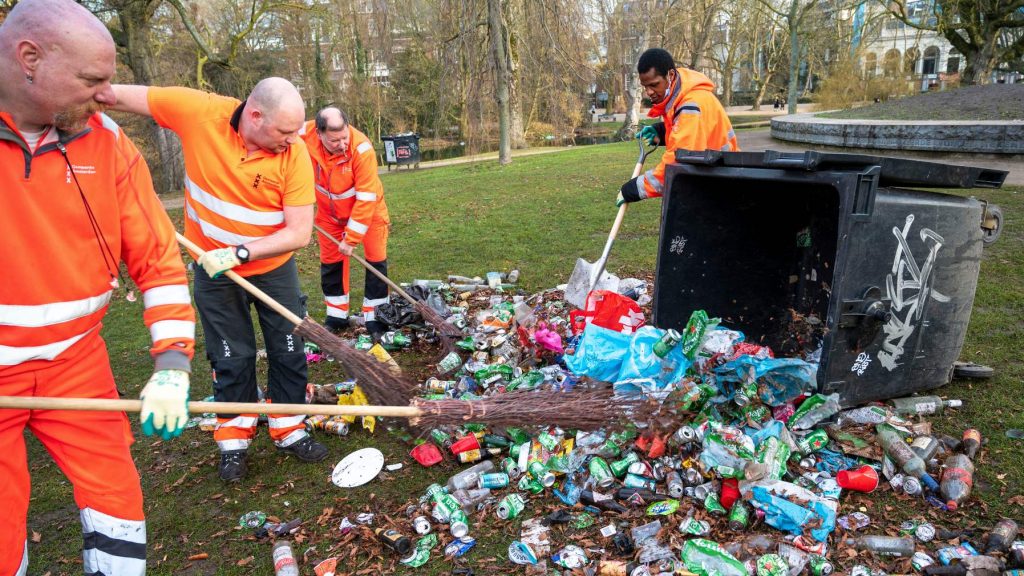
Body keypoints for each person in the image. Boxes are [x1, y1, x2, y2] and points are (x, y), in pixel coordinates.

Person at [0, 0, 197, 573]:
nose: (108, 94)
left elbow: (158, 261)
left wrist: (172, 364)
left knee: (117, 502)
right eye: (93, 80)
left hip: (76, 363)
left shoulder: (107, 142)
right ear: (29, 58)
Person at [110, 77, 329, 483]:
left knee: (288, 349)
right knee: (232, 356)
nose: (294, 139)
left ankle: (288, 426)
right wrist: (71, 102)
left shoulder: (294, 153)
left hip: (272, 270)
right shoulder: (199, 112)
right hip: (212, 274)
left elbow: (299, 233)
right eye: (285, 131)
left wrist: (239, 252)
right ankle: (234, 438)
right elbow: (116, 95)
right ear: (255, 115)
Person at [300, 106, 391, 338]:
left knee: (375, 262)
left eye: (344, 137)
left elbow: (366, 198)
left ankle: (376, 317)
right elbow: (279, 133)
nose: (341, 144)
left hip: (369, 214)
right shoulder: (304, 133)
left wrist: (351, 238)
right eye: (334, 140)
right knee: (331, 264)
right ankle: (337, 316)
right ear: (319, 133)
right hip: (330, 216)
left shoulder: (362, 150)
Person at [619, 48, 740, 206]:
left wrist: (635, 188)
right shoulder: (682, 94)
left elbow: (677, 165)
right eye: (645, 86)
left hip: (718, 184)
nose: (649, 92)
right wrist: (661, 131)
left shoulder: (691, 105)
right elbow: (692, 133)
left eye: (654, 85)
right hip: (713, 178)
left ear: (670, 75)